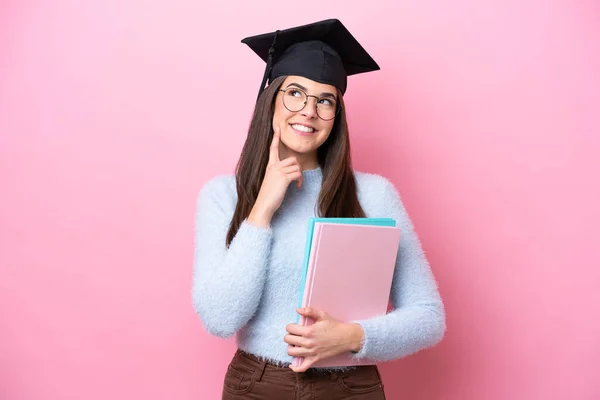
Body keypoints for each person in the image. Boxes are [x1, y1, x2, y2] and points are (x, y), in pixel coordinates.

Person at [192, 18, 446, 400]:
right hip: (257, 386)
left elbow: (429, 316)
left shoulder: (374, 194)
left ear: (336, 115)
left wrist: (354, 336)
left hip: (349, 387)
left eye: (325, 100)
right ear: (271, 100)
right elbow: (220, 319)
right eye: (295, 93)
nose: (309, 110)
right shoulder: (223, 196)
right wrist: (262, 209)